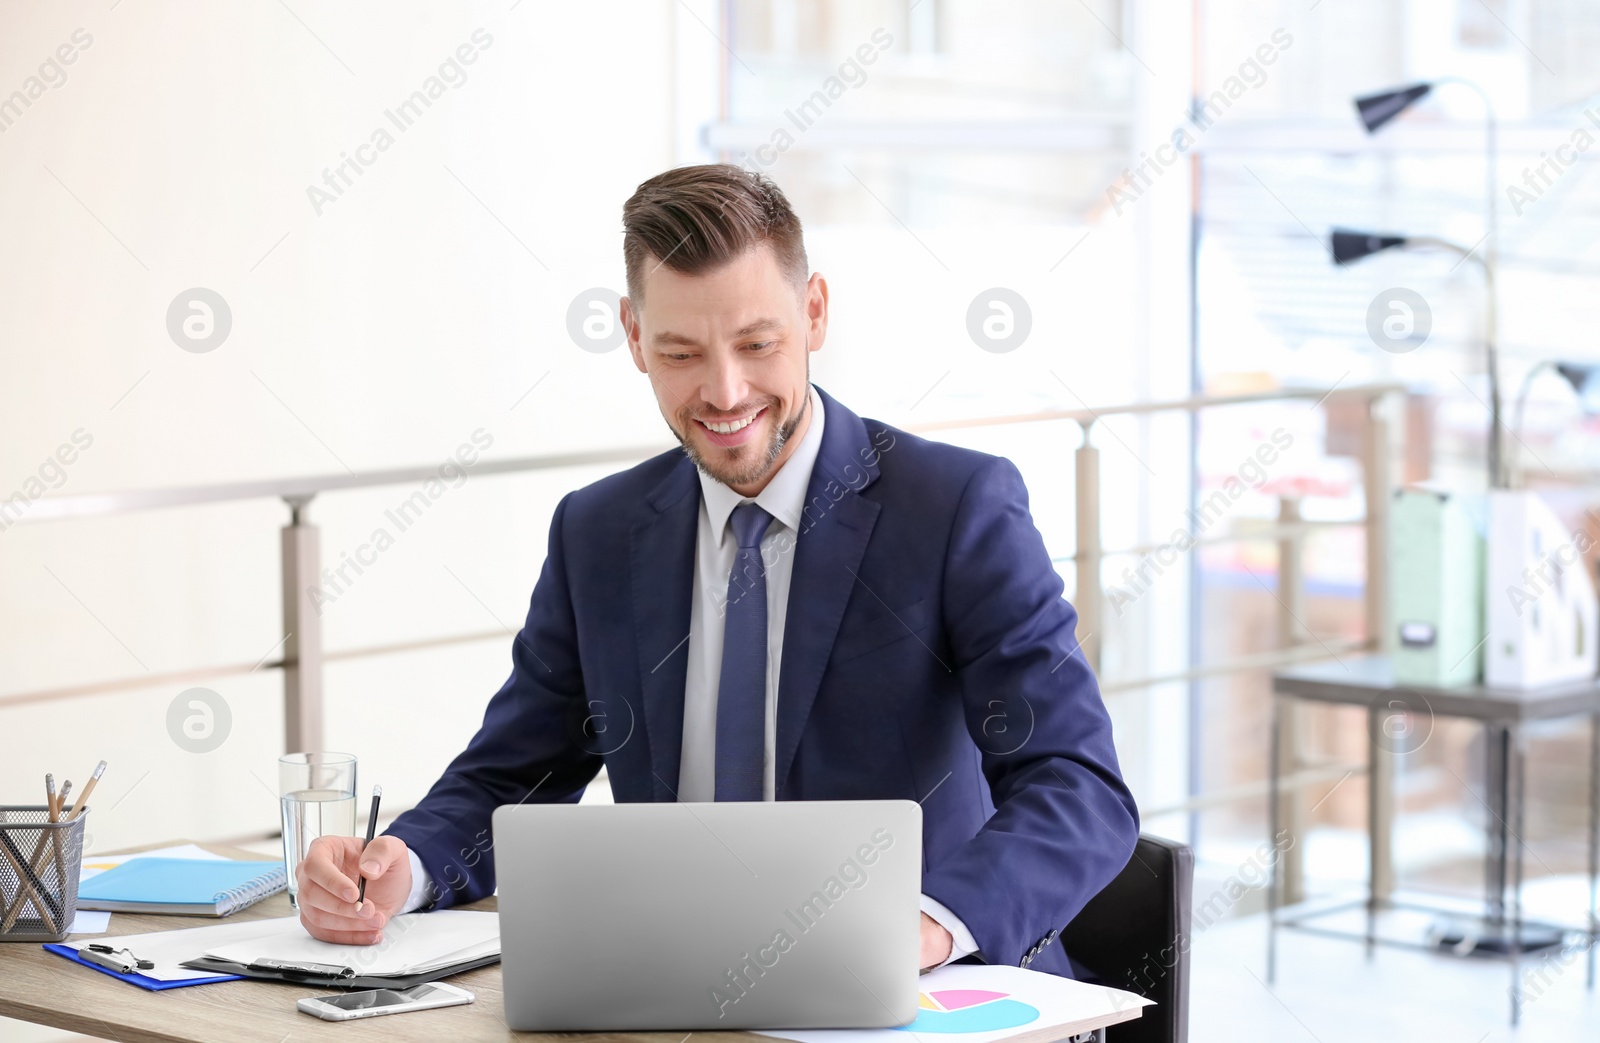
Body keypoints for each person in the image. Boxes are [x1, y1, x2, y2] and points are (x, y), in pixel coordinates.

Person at [296, 163, 1138, 976]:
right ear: (633, 338)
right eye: (681, 353)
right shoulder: (598, 531)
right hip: (682, 987)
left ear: (813, 312)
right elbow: (513, 778)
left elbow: (1078, 788)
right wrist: (398, 870)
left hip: (924, 990)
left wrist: (921, 925)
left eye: (756, 342)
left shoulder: (954, 507)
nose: (726, 392)